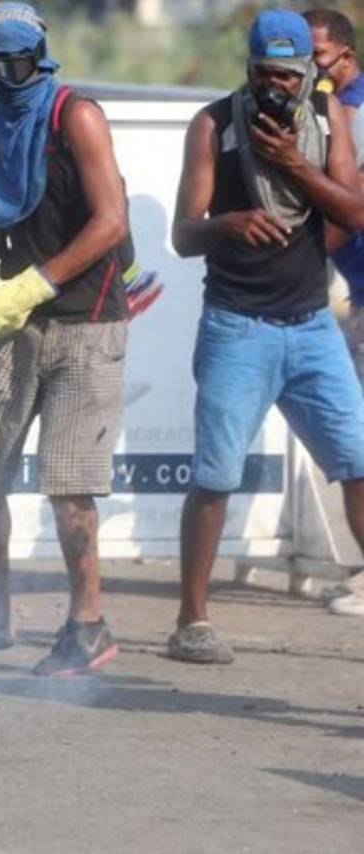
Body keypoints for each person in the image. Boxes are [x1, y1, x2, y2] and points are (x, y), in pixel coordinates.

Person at [169, 9, 364, 658]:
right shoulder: (215, 124)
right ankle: (192, 620)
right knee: (215, 476)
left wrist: (295, 165)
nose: (274, 88)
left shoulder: (329, 117)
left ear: (309, 72)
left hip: (311, 325)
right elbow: (182, 234)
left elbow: (353, 211)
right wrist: (229, 222)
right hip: (237, 325)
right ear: (247, 70)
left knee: (358, 464)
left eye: (286, 74)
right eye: (262, 74)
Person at [0, 2, 131, 677]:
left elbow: (110, 222)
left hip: (86, 322)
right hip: (16, 322)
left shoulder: (75, 116)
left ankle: (89, 624)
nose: (2, 77)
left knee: (69, 486)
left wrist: (34, 285)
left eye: (14, 65)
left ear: (39, 58)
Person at [306, 9, 364, 618]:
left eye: (315, 56)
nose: (305, 67)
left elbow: (351, 206)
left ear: (343, 57)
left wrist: (293, 274)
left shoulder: (354, 112)